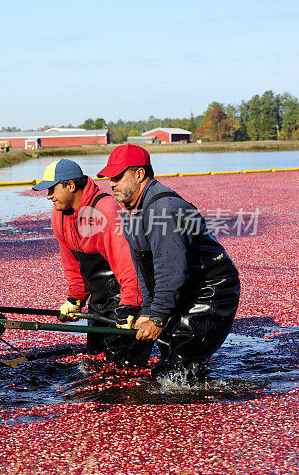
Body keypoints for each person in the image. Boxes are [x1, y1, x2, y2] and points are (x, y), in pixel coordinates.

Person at [97, 144, 240, 379]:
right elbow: (144, 271)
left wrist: (158, 317)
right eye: (110, 178)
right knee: (167, 352)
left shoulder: (163, 210)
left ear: (139, 174)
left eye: (118, 177)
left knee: (181, 361)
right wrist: (146, 311)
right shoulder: (131, 215)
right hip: (185, 287)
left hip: (212, 289)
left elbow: (171, 271)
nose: (111, 184)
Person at [32, 159, 150, 366]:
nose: (48, 196)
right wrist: (75, 298)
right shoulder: (59, 215)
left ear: (70, 186)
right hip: (98, 300)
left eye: (52, 189)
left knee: (124, 366)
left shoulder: (105, 210)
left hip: (124, 296)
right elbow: (72, 261)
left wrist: (130, 306)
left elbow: (127, 263)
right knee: (96, 361)